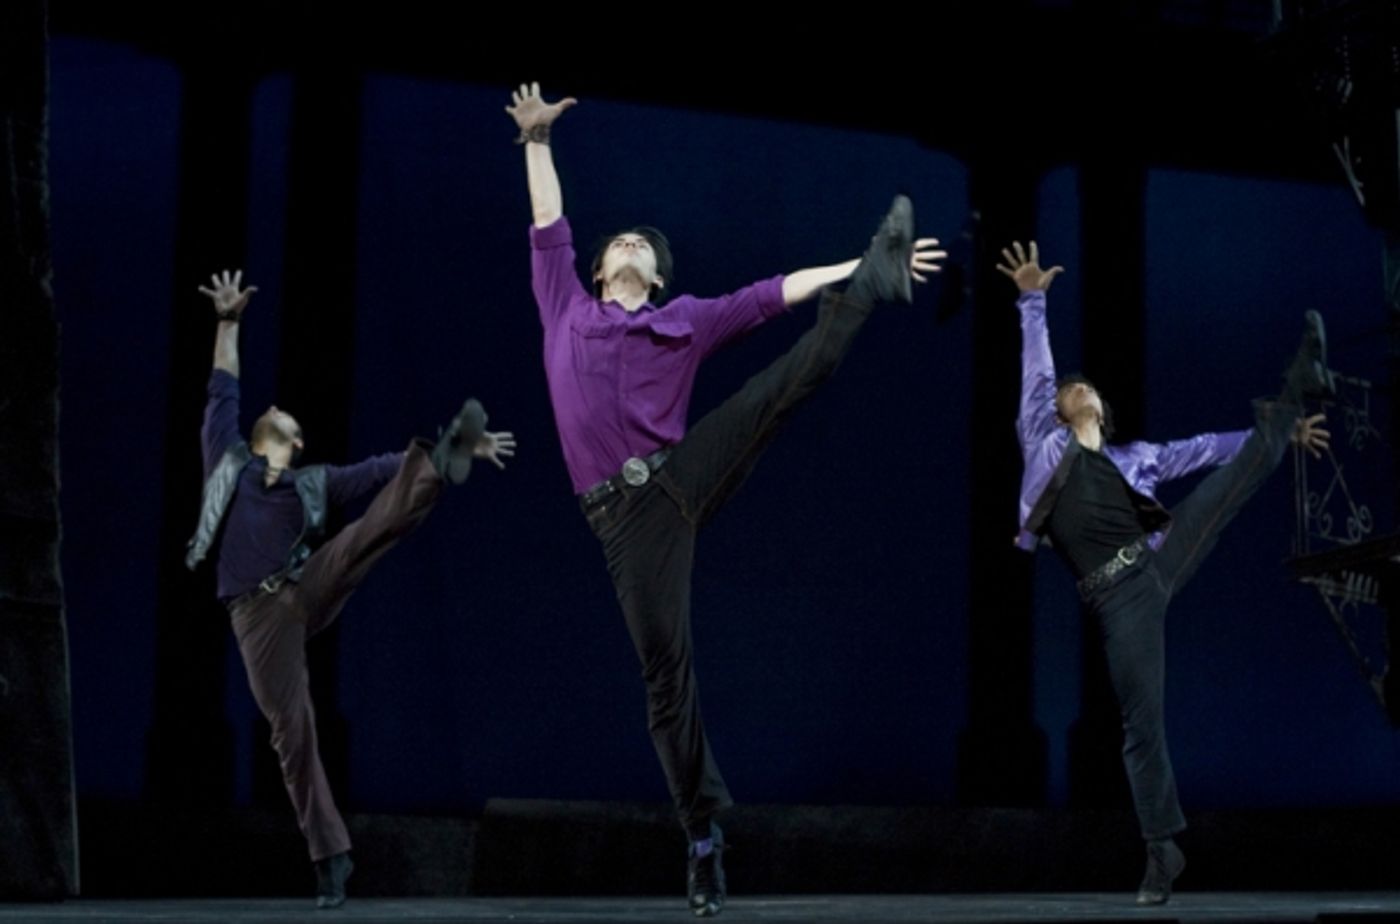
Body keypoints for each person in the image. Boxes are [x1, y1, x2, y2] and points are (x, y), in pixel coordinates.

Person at [508, 82, 944, 917]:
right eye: (620, 242)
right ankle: (702, 834)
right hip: (626, 523)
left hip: (682, 471)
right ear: (602, 271)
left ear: (659, 275)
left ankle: (877, 286)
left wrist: (864, 261)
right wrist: (536, 141)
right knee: (666, 677)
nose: (630, 244)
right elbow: (547, 225)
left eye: (644, 244)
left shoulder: (688, 320)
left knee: (786, 383)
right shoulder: (564, 309)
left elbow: (774, 293)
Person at [1000, 241, 1331, 905]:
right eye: (1070, 389)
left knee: (1228, 483)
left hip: (1157, 560)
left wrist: (1273, 440)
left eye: (1085, 386)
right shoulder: (1043, 442)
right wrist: (1032, 299)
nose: (1077, 388)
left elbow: (1203, 450)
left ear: (1102, 407)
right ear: (1059, 411)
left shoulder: (1137, 459)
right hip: (1119, 604)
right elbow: (1037, 375)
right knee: (1141, 725)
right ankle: (1162, 851)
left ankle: (1294, 397)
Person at [185, 269, 515, 908]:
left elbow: (379, 470)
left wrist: (457, 449)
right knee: (293, 730)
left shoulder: (315, 481)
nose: (277, 407)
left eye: (289, 415)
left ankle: (443, 456)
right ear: (259, 436)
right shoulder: (226, 461)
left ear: (296, 441)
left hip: (307, 584)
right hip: (258, 618)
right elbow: (221, 390)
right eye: (273, 410)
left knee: (371, 528)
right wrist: (228, 323)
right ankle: (330, 856)